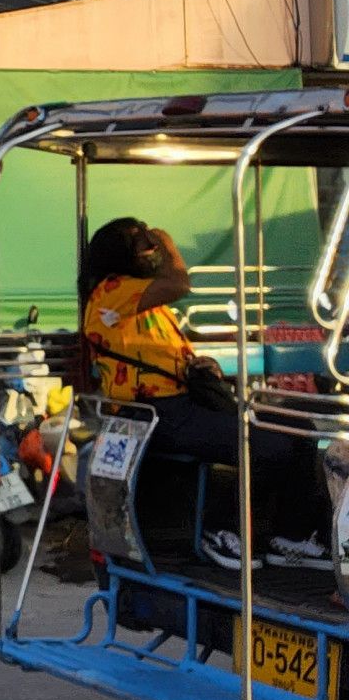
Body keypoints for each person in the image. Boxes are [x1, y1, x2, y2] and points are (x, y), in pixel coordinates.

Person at [80, 216, 331, 571]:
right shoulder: (113, 290)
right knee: (261, 445)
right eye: (141, 241)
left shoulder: (137, 296)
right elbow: (180, 283)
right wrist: (166, 239)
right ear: (120, 252)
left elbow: (154, 349)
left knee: (298, 428)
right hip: (156, 415)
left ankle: (290, 536)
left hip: (184, 404)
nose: (151, 248)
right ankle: (219, 530)